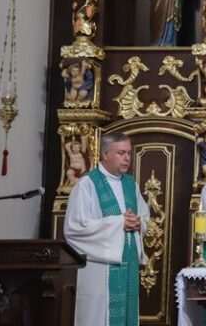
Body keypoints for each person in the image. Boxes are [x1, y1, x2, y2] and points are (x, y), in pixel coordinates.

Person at [64, 133, 150, 326]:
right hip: (99, 271)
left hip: (127, 266)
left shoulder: (131, 184)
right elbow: (74, 229)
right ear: (105, 154)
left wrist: (139, 223)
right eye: (121, 153)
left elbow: (144, 216)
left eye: (129, 153)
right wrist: (119, 223)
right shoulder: (87, 185)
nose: (127, 158)